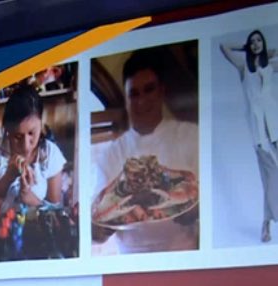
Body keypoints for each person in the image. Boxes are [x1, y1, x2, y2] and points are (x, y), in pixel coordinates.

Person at [92, 47, 198, 201]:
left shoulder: (192, 136)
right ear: (126, 100)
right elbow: (100, 204)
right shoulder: (110, 156)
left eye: (149, 90)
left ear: (161, 91)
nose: (141, 101)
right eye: (134, 94)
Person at [220, 30, 278, 242]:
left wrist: (267, 52)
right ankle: (268, 221)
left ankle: (265, 223)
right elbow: (224, 47)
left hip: (275, 124)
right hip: (258, 130)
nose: (255, 44)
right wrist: (245, 48)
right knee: (271, 176)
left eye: (259, 40)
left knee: (271, 178)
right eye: (252, 41)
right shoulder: (244, 66)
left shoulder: (270, 66)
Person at [0, 83, 65, 213]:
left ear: (41, 124)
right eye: (17, 136)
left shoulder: (50, 154)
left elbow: (55, 213)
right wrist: (8, 177)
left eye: (32, 133)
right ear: (7, 130)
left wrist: (29, 196)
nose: (26, 145)